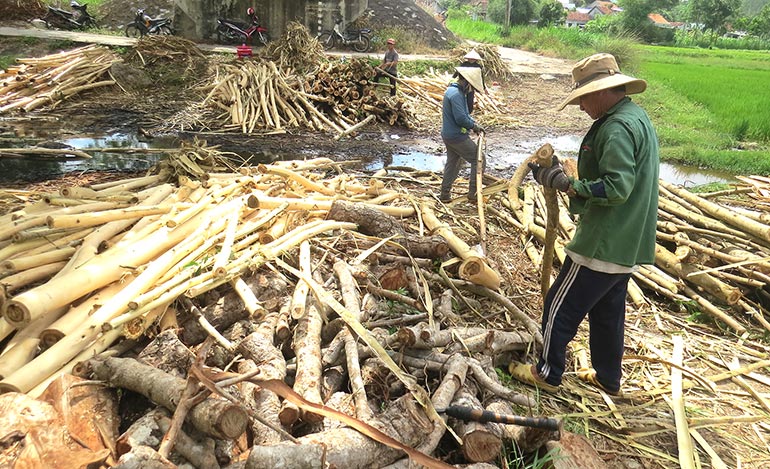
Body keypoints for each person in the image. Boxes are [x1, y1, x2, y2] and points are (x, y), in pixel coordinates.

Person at [509, 53, 659, 396]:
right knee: (608, 312)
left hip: (603, 241)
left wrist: (567, 184)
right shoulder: (636, 117)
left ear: (603, 91)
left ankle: (547, 372)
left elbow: (618, 186)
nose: (581, 107)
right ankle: (609, 379)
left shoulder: (617, 127)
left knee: (559, 305)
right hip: (627, 240)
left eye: (584, 98)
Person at [439, 67, 486, 203]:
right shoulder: (456, 95)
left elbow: (465, 115)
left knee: (453, 163)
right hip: (456, 136)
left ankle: (445, 194)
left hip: (449, 134)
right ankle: (473, 193)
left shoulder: (455, 91)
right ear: (466, 82)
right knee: (478, 159)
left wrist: (473, 124)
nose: (472, 90)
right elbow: (461, 119)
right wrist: (474, 126)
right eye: (472, 87)